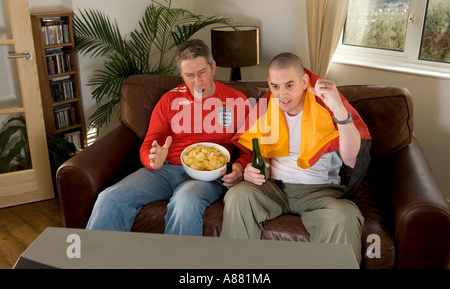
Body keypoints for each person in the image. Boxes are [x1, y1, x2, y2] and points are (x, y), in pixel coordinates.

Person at [86, 39, 251, 235]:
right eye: (189, 75)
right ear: (181, 75)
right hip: (164, 171)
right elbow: (149, 144)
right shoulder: (169, 100)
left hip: (208, 177)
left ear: (213, 67)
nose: (197, 82)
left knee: (185, 202)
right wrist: (152, 159)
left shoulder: (237, 101)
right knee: (109, 197)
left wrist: (239, 167)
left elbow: (248, 149)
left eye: (202, 73)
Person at [220, 52, 371, 264]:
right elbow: (255, 156)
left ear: (304, 81)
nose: (282, 95)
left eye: (289, 85)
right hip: (275, 188)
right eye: (275, 86)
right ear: (269, 84)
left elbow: (353, 159)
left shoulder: (327, 106)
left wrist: (338, 107)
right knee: (238, 196)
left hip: (320, 193)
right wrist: (251, 171)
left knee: (345, 218)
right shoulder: (266, 107)